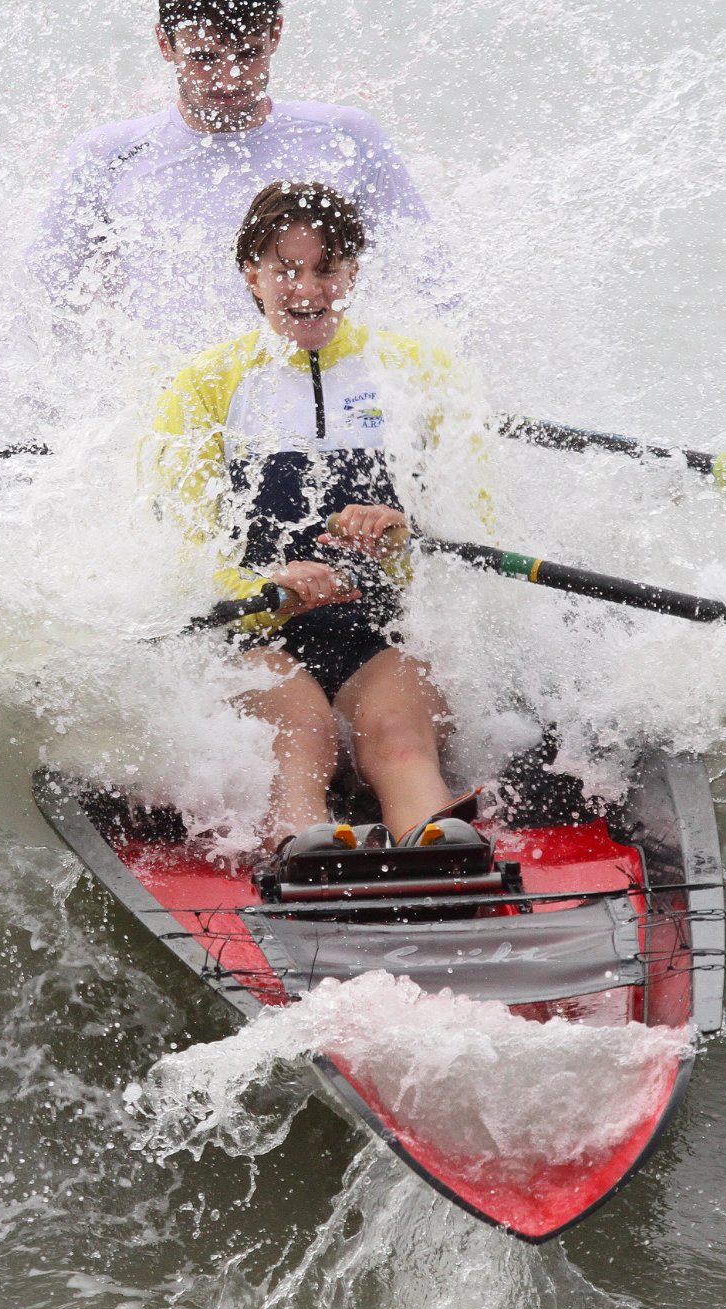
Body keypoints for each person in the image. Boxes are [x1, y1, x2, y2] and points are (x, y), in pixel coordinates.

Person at [145, 180, 491, 852]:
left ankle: (445, 859)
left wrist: (403, 534)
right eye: (286, 270)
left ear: (353, 271)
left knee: (396, 738)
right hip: (258, 635)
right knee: (298, 737)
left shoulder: (416, 371)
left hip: (380, 633)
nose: (308, 290)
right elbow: (181, 549)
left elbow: (473, 524)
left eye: (326, 269)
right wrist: (268, 582)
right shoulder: (204, 385)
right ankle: (305, 856)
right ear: (252, 275)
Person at [31, 0, 433, 348]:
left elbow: (428, 278)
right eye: (204, 58)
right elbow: (41, 302)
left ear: (275, 33)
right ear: (164, 43)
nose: (229, 78)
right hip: (173, 409)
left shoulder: (347, 138)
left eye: (248, 53)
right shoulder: (106, 156)